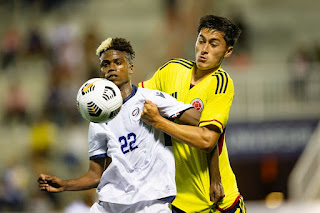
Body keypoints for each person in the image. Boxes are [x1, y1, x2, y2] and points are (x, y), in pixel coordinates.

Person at [38, 37, 206, 213]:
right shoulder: (98, 117)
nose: (111, 68)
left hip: (150, 203)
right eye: (106, 64)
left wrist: (161, 120)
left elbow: (198, 120)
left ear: (130, 68)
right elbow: (95, 175)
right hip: (110, 203)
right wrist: (65, 184)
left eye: (118, 62)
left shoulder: (150, 99)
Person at [139, 15, 246, 212]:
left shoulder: (220, 83)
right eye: (201, 41)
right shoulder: (172, 70)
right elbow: (138, 99)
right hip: (178, 201)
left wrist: (159, 121)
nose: (204, 50)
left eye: (214, 44)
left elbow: (207, 140)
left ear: (228, 51)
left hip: (218, 202)